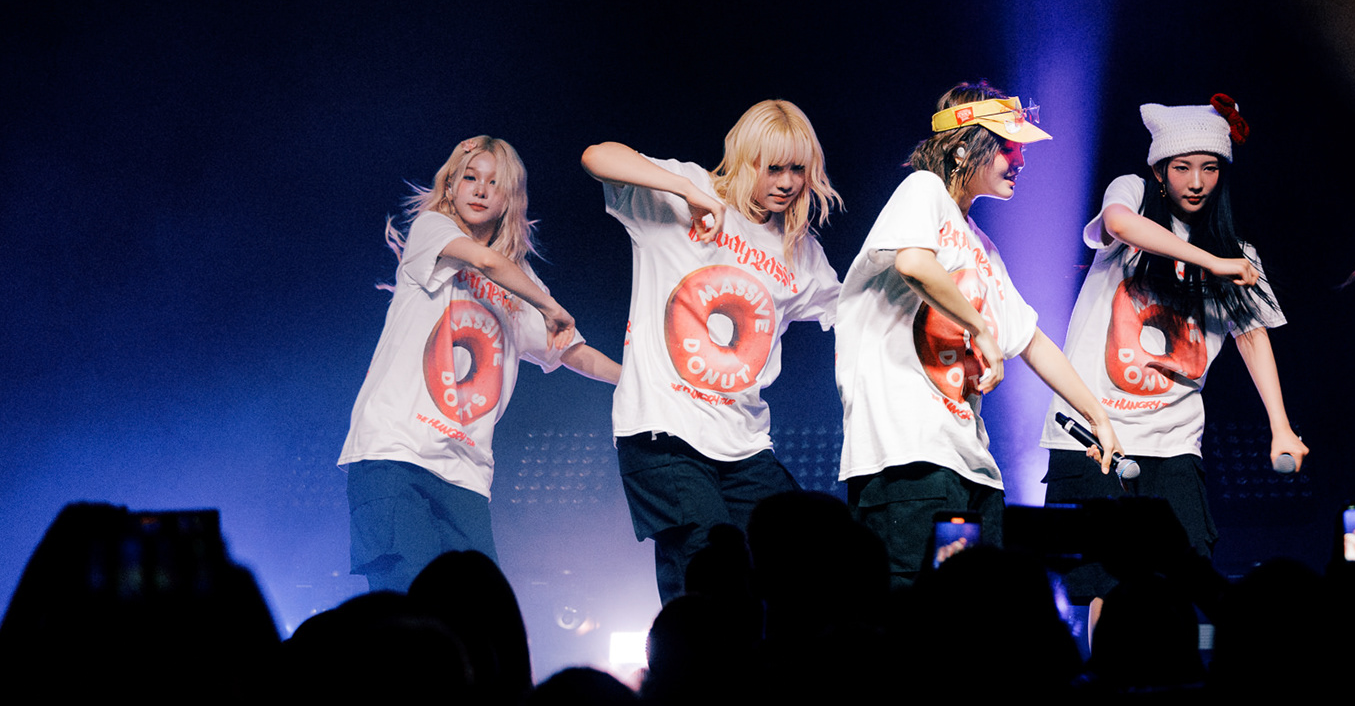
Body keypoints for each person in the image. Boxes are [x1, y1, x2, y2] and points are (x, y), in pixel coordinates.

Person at [835, 81, 1121, 589]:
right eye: (1007, 147)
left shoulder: (983, 247)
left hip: (969, 465)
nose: (1020, 160)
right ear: (963, 147)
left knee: (967, 613)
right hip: (907, 457)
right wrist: (979, 328)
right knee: (912, 611)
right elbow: (914, 262)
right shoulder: (922, 191)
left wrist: (1097, 415)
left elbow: (1031, 341)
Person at [1040, 97, 1308, 604]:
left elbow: (1252, 335)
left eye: (1210, 168)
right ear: (1160, 171)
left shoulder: (1238, 253)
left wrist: (1281, 426)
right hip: (1095, 434)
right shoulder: (1134, 194)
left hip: (1174, 440)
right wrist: (1211, 262)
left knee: (1182, 583)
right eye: (1182, 167)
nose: (1197, 181)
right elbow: (1118, 223)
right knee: (1106, 588)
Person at [582, 100, 843, 604]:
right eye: (773, 168)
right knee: (709, 577)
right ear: (745, 159)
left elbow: (851, 314)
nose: (788, 182)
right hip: (665, 432)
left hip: (744, 444)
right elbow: (597, 156)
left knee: (801, 554)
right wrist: (686, 191)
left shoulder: (801, 251)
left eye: (798, 169)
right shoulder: (687, 190)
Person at [339, 136, 619, 594]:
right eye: (470, 177)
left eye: (495, 183)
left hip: (465, 472)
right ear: (451, 187)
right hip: (395, 452)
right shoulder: (431, 229)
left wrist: (635, 380)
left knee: (474, 612)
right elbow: (486, 261)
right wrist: (549, 306)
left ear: (510, 199)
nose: (481, 190)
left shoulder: (524, 282)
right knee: (406, 604)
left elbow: (570, 350)